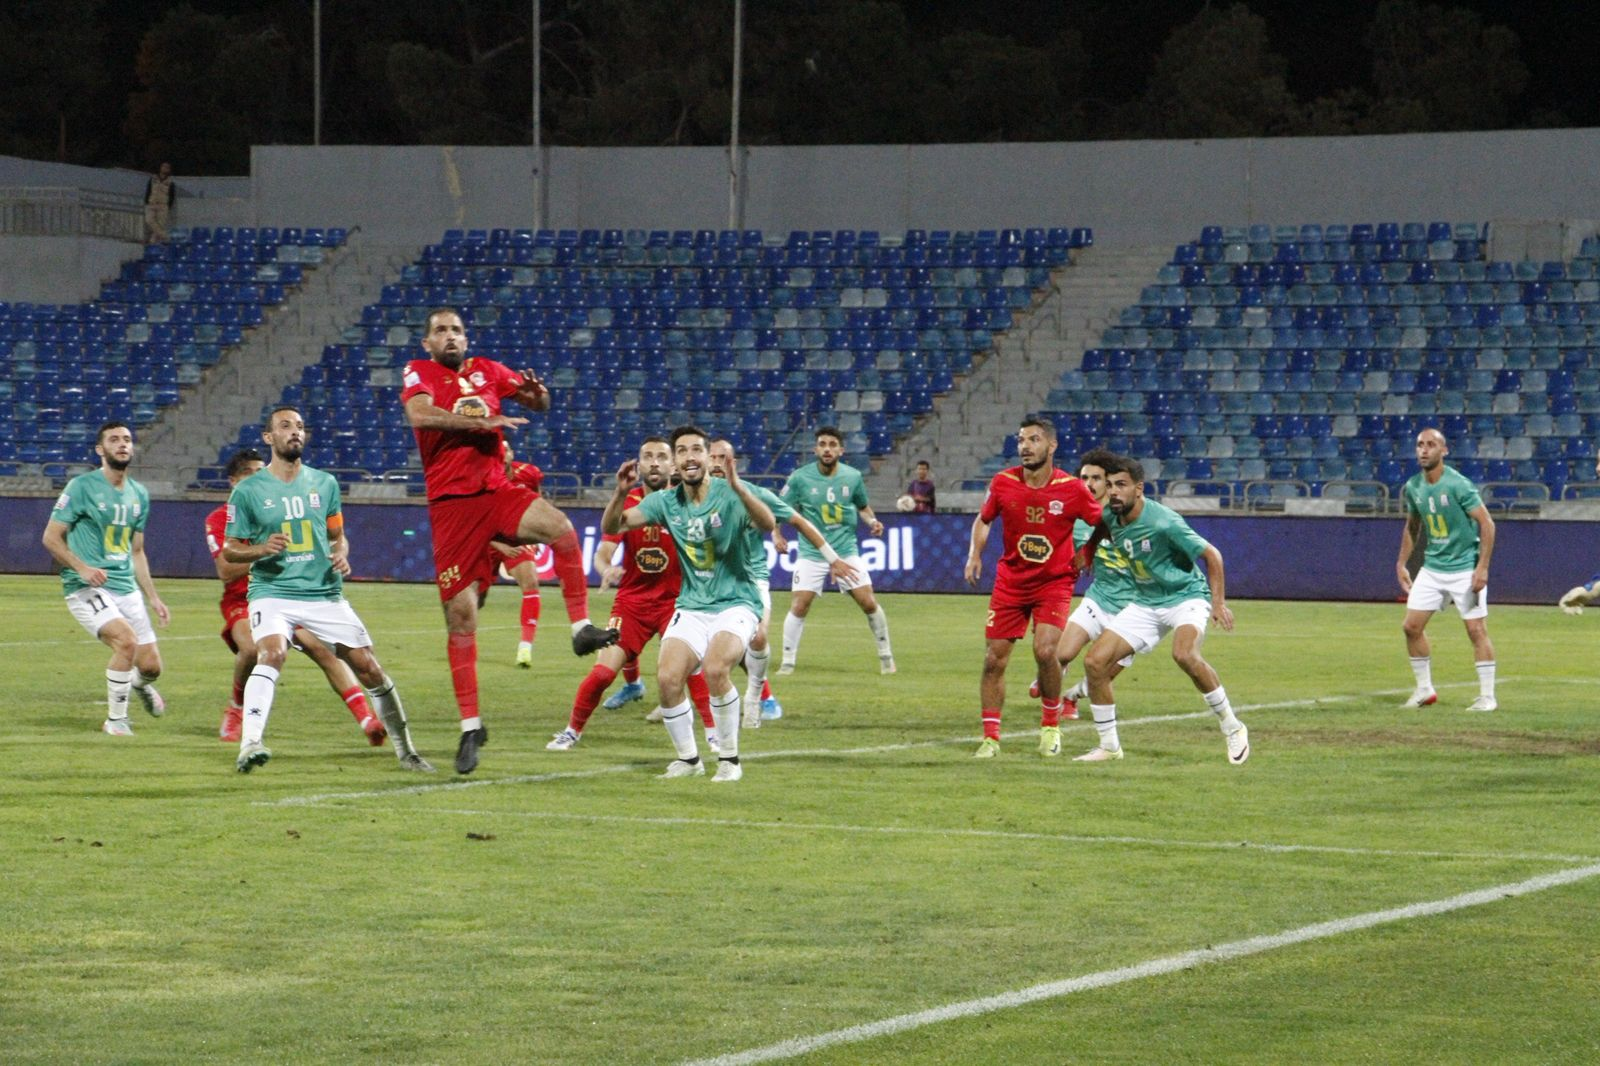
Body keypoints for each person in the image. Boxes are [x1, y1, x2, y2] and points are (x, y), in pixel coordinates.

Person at [400, 307, 617, 775]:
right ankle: (470, 727)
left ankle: (581, 629)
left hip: (496, 491)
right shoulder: (420, 372)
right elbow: (418, 414)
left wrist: (539, 397)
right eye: (440, 330)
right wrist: (478, 424)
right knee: (461, 618)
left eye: (457, 330)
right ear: (427, 343)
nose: (450, 336)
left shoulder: (489, 370)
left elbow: (538, 403)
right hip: (452, 507)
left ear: (466, 338)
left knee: (561, 528)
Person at [222, 405, 431, 773]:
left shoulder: (325, 484)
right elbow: (230, 549)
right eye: (285, 426)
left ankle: (407, 752)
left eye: (300, 426)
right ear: (269, 437)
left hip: (322, 593)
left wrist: (341, 555)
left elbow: (337, 536)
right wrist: (261, 549)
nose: (295, 431)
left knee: (369, 667)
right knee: (271, 653)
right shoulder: (247, 491)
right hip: (273, 591)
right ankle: (250, 743)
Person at [601, 425, 782, 782]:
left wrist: (739, 488)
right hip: (692, 605)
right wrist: (620, 493)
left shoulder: (729, 493)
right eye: (681, 451)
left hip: (736, 602)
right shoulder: (665, 502)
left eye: (696, 450)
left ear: (707, 456)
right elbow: (616, 525)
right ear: (674, 464)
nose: (689, 457)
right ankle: (689, 760)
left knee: (715, 669)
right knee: (668, 678)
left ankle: (729, 760)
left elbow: (767, 522)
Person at [207, 449, 389, 747]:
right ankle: (236, 708)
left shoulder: (284, 504)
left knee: (324, 649)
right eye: (250, 474)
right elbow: (226, 571)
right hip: (246, 599)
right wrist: (263, 552)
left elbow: (333, 536)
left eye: (261, 471)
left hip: (294, 592)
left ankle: (367, 719)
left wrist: (334, 554)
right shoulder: (220, 519)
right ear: (234, 481)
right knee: (252, 649)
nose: (259, 478)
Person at [1077, 455, 1249, 765]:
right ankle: (1110, 747)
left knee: (1184, 654)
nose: (1113, 491)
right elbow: (1099, 530)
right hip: (1145, 601)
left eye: (1121, 485)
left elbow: (1212, 555)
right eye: (1110, 485)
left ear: (1139, 488)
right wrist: (1087, 556)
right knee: (1095, 662)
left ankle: (1232, 726)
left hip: (1185, 597)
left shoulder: (1163, 522)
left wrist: (1218, 603)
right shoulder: (1111, 516)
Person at [548, 437, 716, 753]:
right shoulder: (628, 502)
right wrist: (606, 569)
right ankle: (571, 732)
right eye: (648, 457)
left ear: (672, 465)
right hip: (632, 603)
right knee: (602, 673)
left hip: (676, 603)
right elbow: (604, 551)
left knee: (691, 669)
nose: (654, 463)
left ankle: (713, 733)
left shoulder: (687, 500)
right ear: (639, 465)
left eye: (661, 457)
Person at [963, 418, 1103, 758]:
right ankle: (990, 738)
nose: (1025, 446)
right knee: (993, 659)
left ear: (1051, 446)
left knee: (1045, 651)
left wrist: (1087, 552)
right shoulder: (1003, 482)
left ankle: (1050, 726)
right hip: (1011, 581)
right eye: (1021, 440)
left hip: (1054, 581)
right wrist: (974, 555)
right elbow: (984, 518)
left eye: (1034, 439)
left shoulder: (1072, 488)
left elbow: (1103, 522)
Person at [710, 438, 857, 727]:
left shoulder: (755, 495)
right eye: (712, 457)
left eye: (722, 458)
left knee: (758, 637)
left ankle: (757, 696)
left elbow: (799, 522)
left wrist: (832, 558)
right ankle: (674, 701)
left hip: (749, 579)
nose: (716, 464)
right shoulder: (689, 497)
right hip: (707, 583)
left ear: (733, 463)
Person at [41, 421, 169, 735]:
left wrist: (153, 597)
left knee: (151, 667)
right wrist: (81, 568)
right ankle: (116, 721)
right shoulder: (81, 487)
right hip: (86, 587)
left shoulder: (139, 494)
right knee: (126, 641)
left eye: (126, 439)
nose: (122, 444)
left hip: (126, 587)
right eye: (114, 439)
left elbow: (137, 550)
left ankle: (138, 684)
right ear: (100, 449)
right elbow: (50, 537)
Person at [1027, 448, 1139, 710]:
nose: (1089, 484)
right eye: (1084, 478)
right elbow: (1056, 562)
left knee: (1100, 675)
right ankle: (1054, 674)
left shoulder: (1131, 514)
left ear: (1109, 482)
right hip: (1099, 600)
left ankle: (1072, 697)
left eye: (1096, 478)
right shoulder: (1075, 521)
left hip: (1134, 610)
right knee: (1059, 654)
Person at [778, 426, 895, 675]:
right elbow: (779, 508)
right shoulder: (799, 478)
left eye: (832, 445)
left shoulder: (853, 477)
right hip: (812, 552)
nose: (827, 449)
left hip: (845, 551)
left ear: (841, 450)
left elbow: (863, 507)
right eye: (822, 444)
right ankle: (787, 662)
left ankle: (886, 656)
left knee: (868, 601)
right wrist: (776, 534)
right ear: (815, 449)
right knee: (799, 605)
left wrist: (873, 521)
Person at [1397, 427, 1497, 712]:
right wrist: (1401, 563)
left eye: (1431, 445)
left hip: (1464, 568)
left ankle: (1487, 697)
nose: (1424, 450)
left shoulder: (1458, 485)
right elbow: (1413, 526)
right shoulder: (1414, 486)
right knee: (1411, 627)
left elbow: (1487, 524)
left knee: (1476, 630)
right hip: (1432, 568)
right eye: (1420, 445)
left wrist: (1482, 567)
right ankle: (1424, 690)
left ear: (1444, 450)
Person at [490, 442, 546, 668]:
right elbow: (472, 521)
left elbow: (538, 502)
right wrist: (499, 546)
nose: (502, 454)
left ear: (512, 454)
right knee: (472, 598)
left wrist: (538, 532)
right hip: (485, 539)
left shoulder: (529, 474)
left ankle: (525, 649)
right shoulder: (481, 480)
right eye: (498, 450)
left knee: (531, 583)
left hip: (515, 539)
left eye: (506, 450)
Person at [143, 163, 174, 244]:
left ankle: (152, 243)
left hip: (163, 205)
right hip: (152, 204)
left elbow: (171, 195)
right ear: (160, 168)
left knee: (160, 225)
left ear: (169, 170)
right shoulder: (153, 179)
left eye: (167, 167)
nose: (165, 168)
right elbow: (148, 190)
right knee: (149, 220)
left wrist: (168, 206)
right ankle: (166, 236)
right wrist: (147, 202)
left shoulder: (170, 182)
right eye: (164, 166)